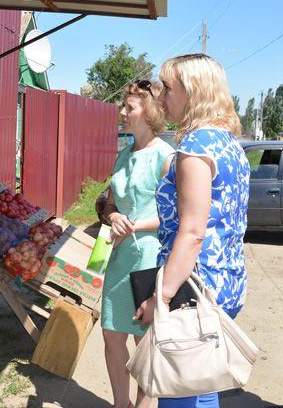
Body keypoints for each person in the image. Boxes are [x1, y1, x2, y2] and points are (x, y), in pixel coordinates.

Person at [135, 54, 250, 408]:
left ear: (193, 91)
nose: (161, 96)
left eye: (168, 88)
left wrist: (162, 297)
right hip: (223, 283)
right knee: (201, 385)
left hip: (194, 291)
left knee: (182, 393)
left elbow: (192, 233)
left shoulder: (196, 148)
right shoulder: (230, 145)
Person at [101, 80, 175, 408]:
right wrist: (113, 216)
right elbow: (111, 203)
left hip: (148, 254)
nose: (123, 112)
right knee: (111, 333)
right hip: (117, 253)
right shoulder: (123, 155)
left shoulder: (166, 156)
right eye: (124, 106)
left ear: (150, 112)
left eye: (130, 107)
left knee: (143, 339)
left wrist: (136, 224)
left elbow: (177, 216)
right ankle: (121, 404)